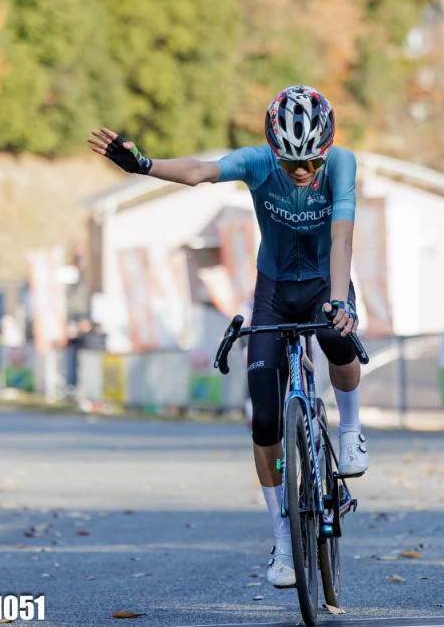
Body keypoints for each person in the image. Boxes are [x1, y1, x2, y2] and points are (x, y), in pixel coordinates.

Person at [89, 85, 369, 589]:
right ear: (274, 152)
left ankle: (351, 430)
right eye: (291, 163)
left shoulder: (342, 164)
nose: (301, 171)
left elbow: (342, 234)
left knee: (336, 335)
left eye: (311, 162)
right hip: (274, 290)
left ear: (327, 151)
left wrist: (340, 300)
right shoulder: (258, 162)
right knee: (264, 418)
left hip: (324, 282)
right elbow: (200, 171)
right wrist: (145, 165)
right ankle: (282, 540)